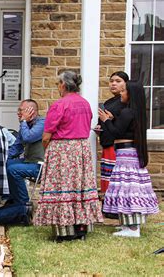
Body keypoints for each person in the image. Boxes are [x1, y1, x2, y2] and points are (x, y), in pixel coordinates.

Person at [35, 71, 102, 242]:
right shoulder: (85, 104)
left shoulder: (60, 105)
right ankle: (81, 227)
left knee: (62, 186)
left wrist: (48, 148)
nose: (57, 87)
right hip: (81, 148)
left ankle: (65, 230)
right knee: (80, 187)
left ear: (63, 85)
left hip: (62, 149)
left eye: (58, 83)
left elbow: (46, 136)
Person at [99, 81, 159, 238]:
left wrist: (106, 121)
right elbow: (122, 128)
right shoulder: (134, 112)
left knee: (128, 189)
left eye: (124, 91)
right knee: (128, 188)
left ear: (130, 94)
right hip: (129, 154)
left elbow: (116, 133)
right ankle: (128, 225)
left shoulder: (127, 112)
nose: (121, 94)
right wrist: (112, 119)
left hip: (126, 155)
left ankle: (133, 228)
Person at [94, 71, 129, 218]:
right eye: (111, 81)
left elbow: (124, 125)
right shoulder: (109, 102)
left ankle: (116, 208)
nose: (113, 83)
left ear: (125, 84)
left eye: (118, 81)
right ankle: (108, 206)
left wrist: (110, 119)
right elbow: (104, 121)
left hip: (118, 145)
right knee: (106, 177)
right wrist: (99, 128)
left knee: (115, 178)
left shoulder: (126, 103)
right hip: (106, 142)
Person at [7, 99, 45, 204]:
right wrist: (0, 159)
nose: (18, 113)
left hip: (40, 165)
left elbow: (28, 137)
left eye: (21, 110)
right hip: (28, 161)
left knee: (13, 169)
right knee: (5, 164)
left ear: (31, 111)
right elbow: (16, 148)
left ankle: (24, 203)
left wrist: (23, 122)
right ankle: (13, 198)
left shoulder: (42, 123)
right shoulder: (26, 125)